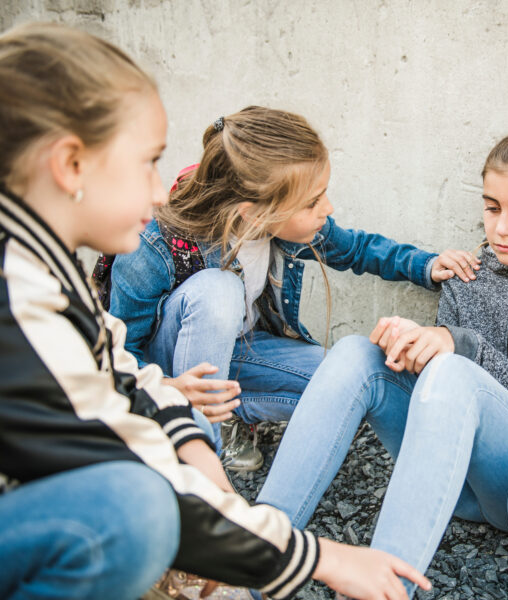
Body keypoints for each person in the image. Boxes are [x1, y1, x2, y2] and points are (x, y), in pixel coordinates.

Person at [0, 21, 430, 600]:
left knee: (333, 376)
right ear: (71, 165)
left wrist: (202, 465)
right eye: (147, 162)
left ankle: (223, 437)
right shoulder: (24, 295)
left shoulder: (39, 264)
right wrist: (313, 557)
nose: (159, 189)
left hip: (223, 374)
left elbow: (120, 375)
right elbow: (114, 415)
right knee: (136, 509)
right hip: (179, 373)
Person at [257, 112, 508, 596]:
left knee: (453, 371)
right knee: (352, 354)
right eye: (492, 209)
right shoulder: (469, 272)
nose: (501, 228)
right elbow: (438, 387)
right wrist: (407, 348)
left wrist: (457, 347)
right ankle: (259, 551)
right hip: (460, 485)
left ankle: (384, 590)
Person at [102, 105, 479, 469]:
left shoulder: (284, 224)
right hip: (172, 371)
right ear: (252, 212)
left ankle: (230, 413)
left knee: (346, 380)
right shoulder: (153, 246)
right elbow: (120, 352)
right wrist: (169, 389)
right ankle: (199, 446)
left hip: (239, 352)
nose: (327, 208)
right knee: (218, 290)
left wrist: (427, 265)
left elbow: (356, 249)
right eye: (313, 201)